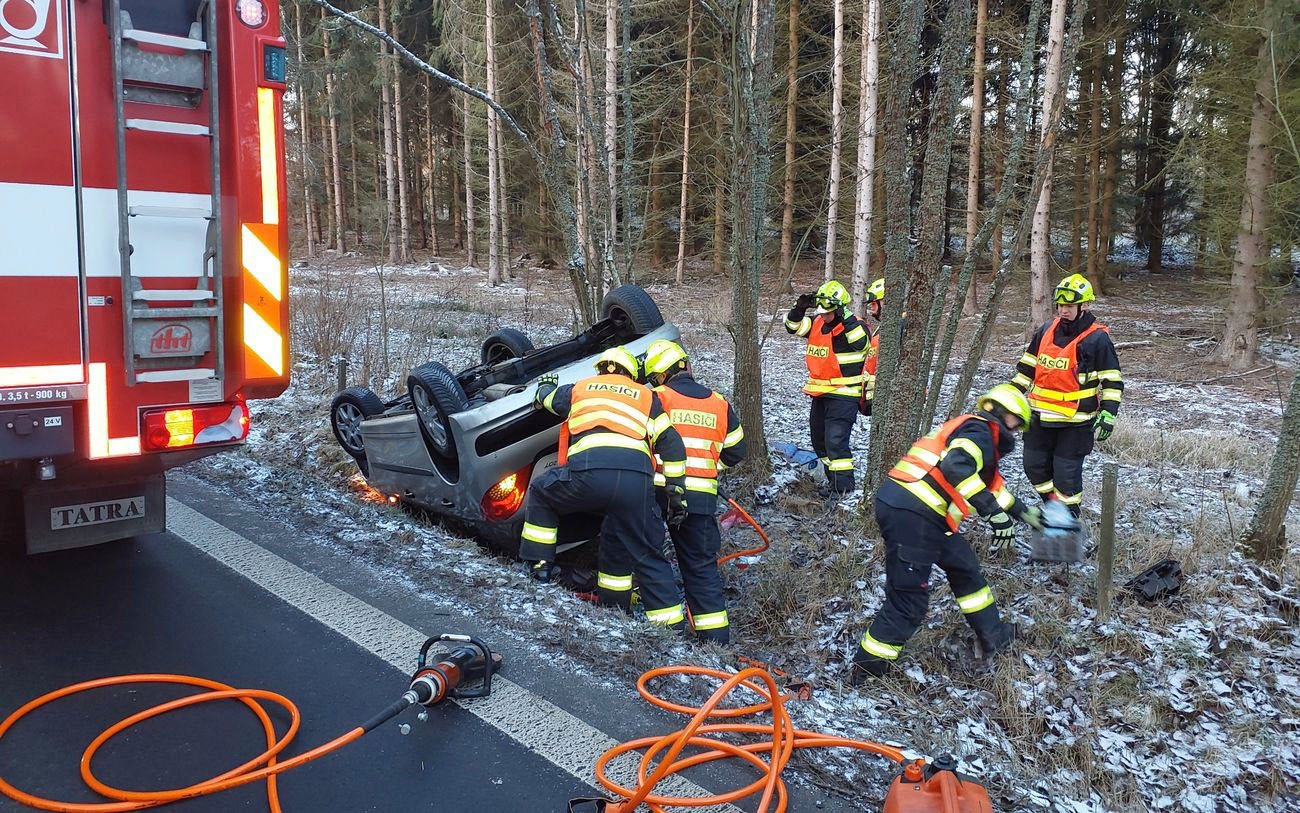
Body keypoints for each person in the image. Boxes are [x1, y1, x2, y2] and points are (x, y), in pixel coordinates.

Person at [849, 385, 1046, 683]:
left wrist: (1027, 515)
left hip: (922, 513)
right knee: (908, 601)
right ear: (1004, 415)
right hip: (914, 515)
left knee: (965, 567)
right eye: (1017, 424)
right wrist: (993, 514)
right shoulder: (979, 432)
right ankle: (867, 671)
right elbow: (956, 467)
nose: (1016, 432)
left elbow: (992, 490)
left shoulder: (977, 436)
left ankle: (993, 635)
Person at [520, 346, 690, 630]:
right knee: (648, 554)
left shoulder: (582, 388)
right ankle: (670, 630)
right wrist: (675, 493)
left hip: (588, 476)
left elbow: (547, 400)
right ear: (632, 374)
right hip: (635, 485)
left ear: (600, 369)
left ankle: (540, 569)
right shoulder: (646, 396)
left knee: (541, 492)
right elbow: (672, 444)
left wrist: (545, 386)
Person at [642, 339, 747, 644]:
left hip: (657, 490)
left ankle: (666, 633)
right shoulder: (719, 403)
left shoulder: (656, 398)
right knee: (701, 568)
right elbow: (736, 451)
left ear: (659, 376)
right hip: (701, 498)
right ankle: (714, 642)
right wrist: (709, 467)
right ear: (686, 365)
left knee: (650, 555)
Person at [1009, 273, 1123, 532]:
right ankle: (1053, 508)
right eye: (1061, 305)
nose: (1064, 310)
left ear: (1085, 305)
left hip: (1075, 424)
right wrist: (1010, 397)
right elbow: (1026, 370)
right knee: (1034, 468)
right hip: (1038, 419)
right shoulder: (1045, 331)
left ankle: (1068, 522)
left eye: (1070, 305)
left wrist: (1108, 414)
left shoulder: (1097, 339)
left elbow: (1112, 381)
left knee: (1065, 477)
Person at [784, 279, 870, 495]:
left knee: (836, 443)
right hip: (820, 394)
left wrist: (845, 319)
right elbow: (792, 327)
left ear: (839, 310)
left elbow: (861, 344)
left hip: (844, 396)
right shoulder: (817, 322)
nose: (824, 316)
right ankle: (833, 484)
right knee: (820, 443)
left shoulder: (855, 326)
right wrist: (799, 308)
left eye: (828, 313)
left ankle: (843, 491)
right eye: (821, 312)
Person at [860, 277, 885, 416]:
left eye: (874, 303)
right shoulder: (882, 329)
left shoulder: (901, 327)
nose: (871, 308)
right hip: (877, 400)